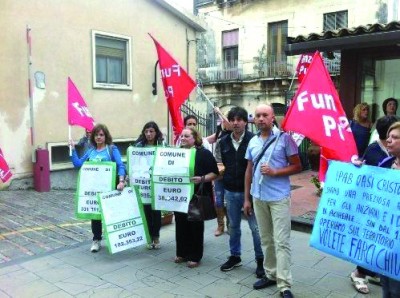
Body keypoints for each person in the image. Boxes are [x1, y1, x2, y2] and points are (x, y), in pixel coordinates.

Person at [244, 104, 301, 298]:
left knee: (281, 241)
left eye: (265, 115)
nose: (261, 119)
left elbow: (297, 166)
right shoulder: (252, 141)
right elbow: (249, 170)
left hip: (278, 197)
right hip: (258, 196)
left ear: (272, 118)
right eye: (258, 115)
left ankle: (284, 284)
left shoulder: (284, 139)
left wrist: (276, 171)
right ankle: (270, 274)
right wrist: (246, 198)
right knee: (266, 239)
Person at [350, 115, 397, 294]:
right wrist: (355, 167)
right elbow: (364, 173)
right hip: (376, 206)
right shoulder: (373, 150)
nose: (393, 139)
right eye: (392, 135)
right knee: (372, 240)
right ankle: (359, 273)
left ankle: (379, 271)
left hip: (393, 210)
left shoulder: (396, 154)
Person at [219, 107, 264, 278]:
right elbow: (224, 164)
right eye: (233, 119)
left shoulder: (255, 140)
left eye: (239, 119)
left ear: (246, 122)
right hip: (230, 191)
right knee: (233, 227)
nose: (236, 122)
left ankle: (260, 260)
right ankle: (235, 256)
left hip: (252, 193)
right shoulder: (223, 141)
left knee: (255, 228)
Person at [70, 123, 126, 252]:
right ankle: (96, 240)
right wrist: (72, 149)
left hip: (109, 188)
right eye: (96, 135)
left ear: (106, 136)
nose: (98, 137)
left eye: (101, 135)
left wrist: (121, 181)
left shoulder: (111, 149)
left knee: (109, 215)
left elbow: (120, 165)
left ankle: (115, 239)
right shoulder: (91, 151)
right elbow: (78, 164)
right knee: (95, 215)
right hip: (94, 190)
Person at [174, 127, 219, 268]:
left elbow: (215, 173)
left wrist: (202, 178)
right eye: (182, 136)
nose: (183, 138)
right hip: (180, 196)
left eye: (186, 136)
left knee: (195, 225)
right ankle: (182, 253)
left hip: (196, 195)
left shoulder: (203, 153)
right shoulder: (177, 154)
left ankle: (195, 256)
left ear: (195, 138)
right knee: (180, 224)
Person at [134, 121, 165, 250]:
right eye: (146, 131)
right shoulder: (139, 146)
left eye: (151, 131)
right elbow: (133, 162)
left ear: (156, 132)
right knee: (146, 211)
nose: (148, 134)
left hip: (156, 183)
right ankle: (148, 237)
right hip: (144, 183)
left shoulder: (162, 145)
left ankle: (156, 236)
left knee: (156, 212)